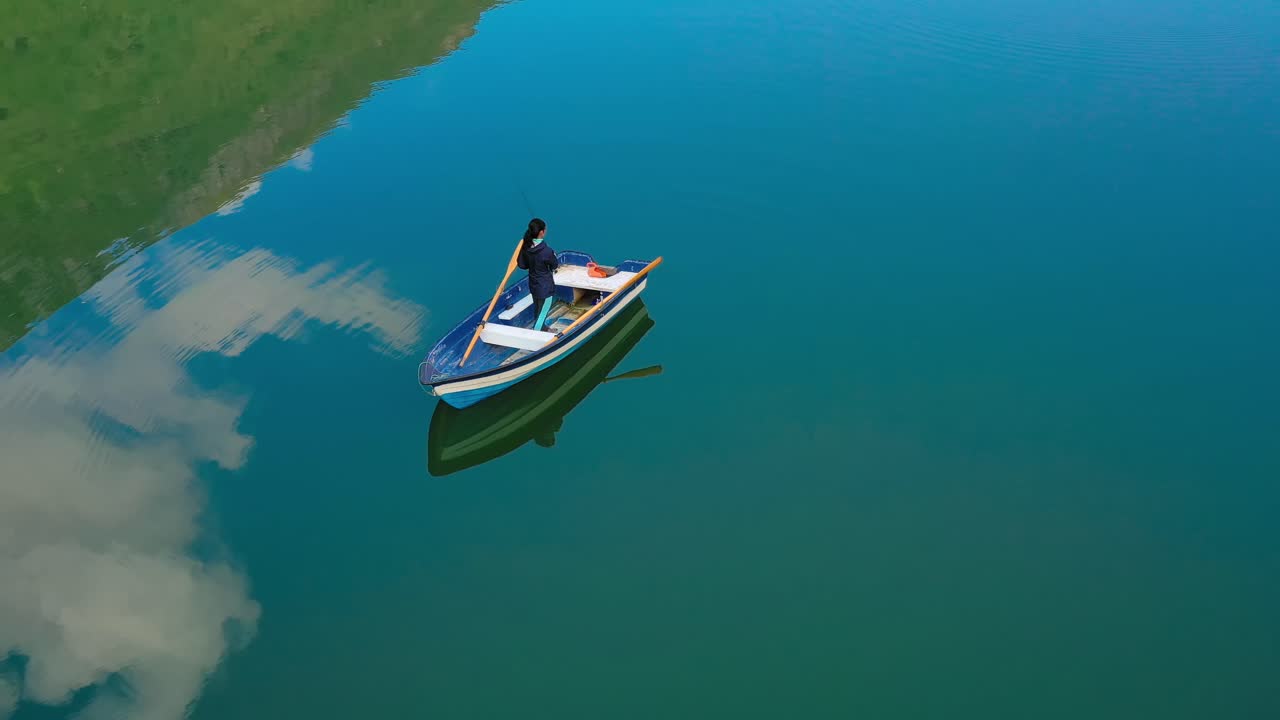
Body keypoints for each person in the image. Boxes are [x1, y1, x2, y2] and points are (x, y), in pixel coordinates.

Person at [517, 217, 559, 331]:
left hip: (534, 284)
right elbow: (555, 265)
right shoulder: (547, 251)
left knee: (537, 308)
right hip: (545, 287)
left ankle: (543, 327)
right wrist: (553, 255)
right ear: (541, 232)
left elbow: (522, 264)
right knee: (543, 311)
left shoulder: (526, 247)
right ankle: (537, 333)